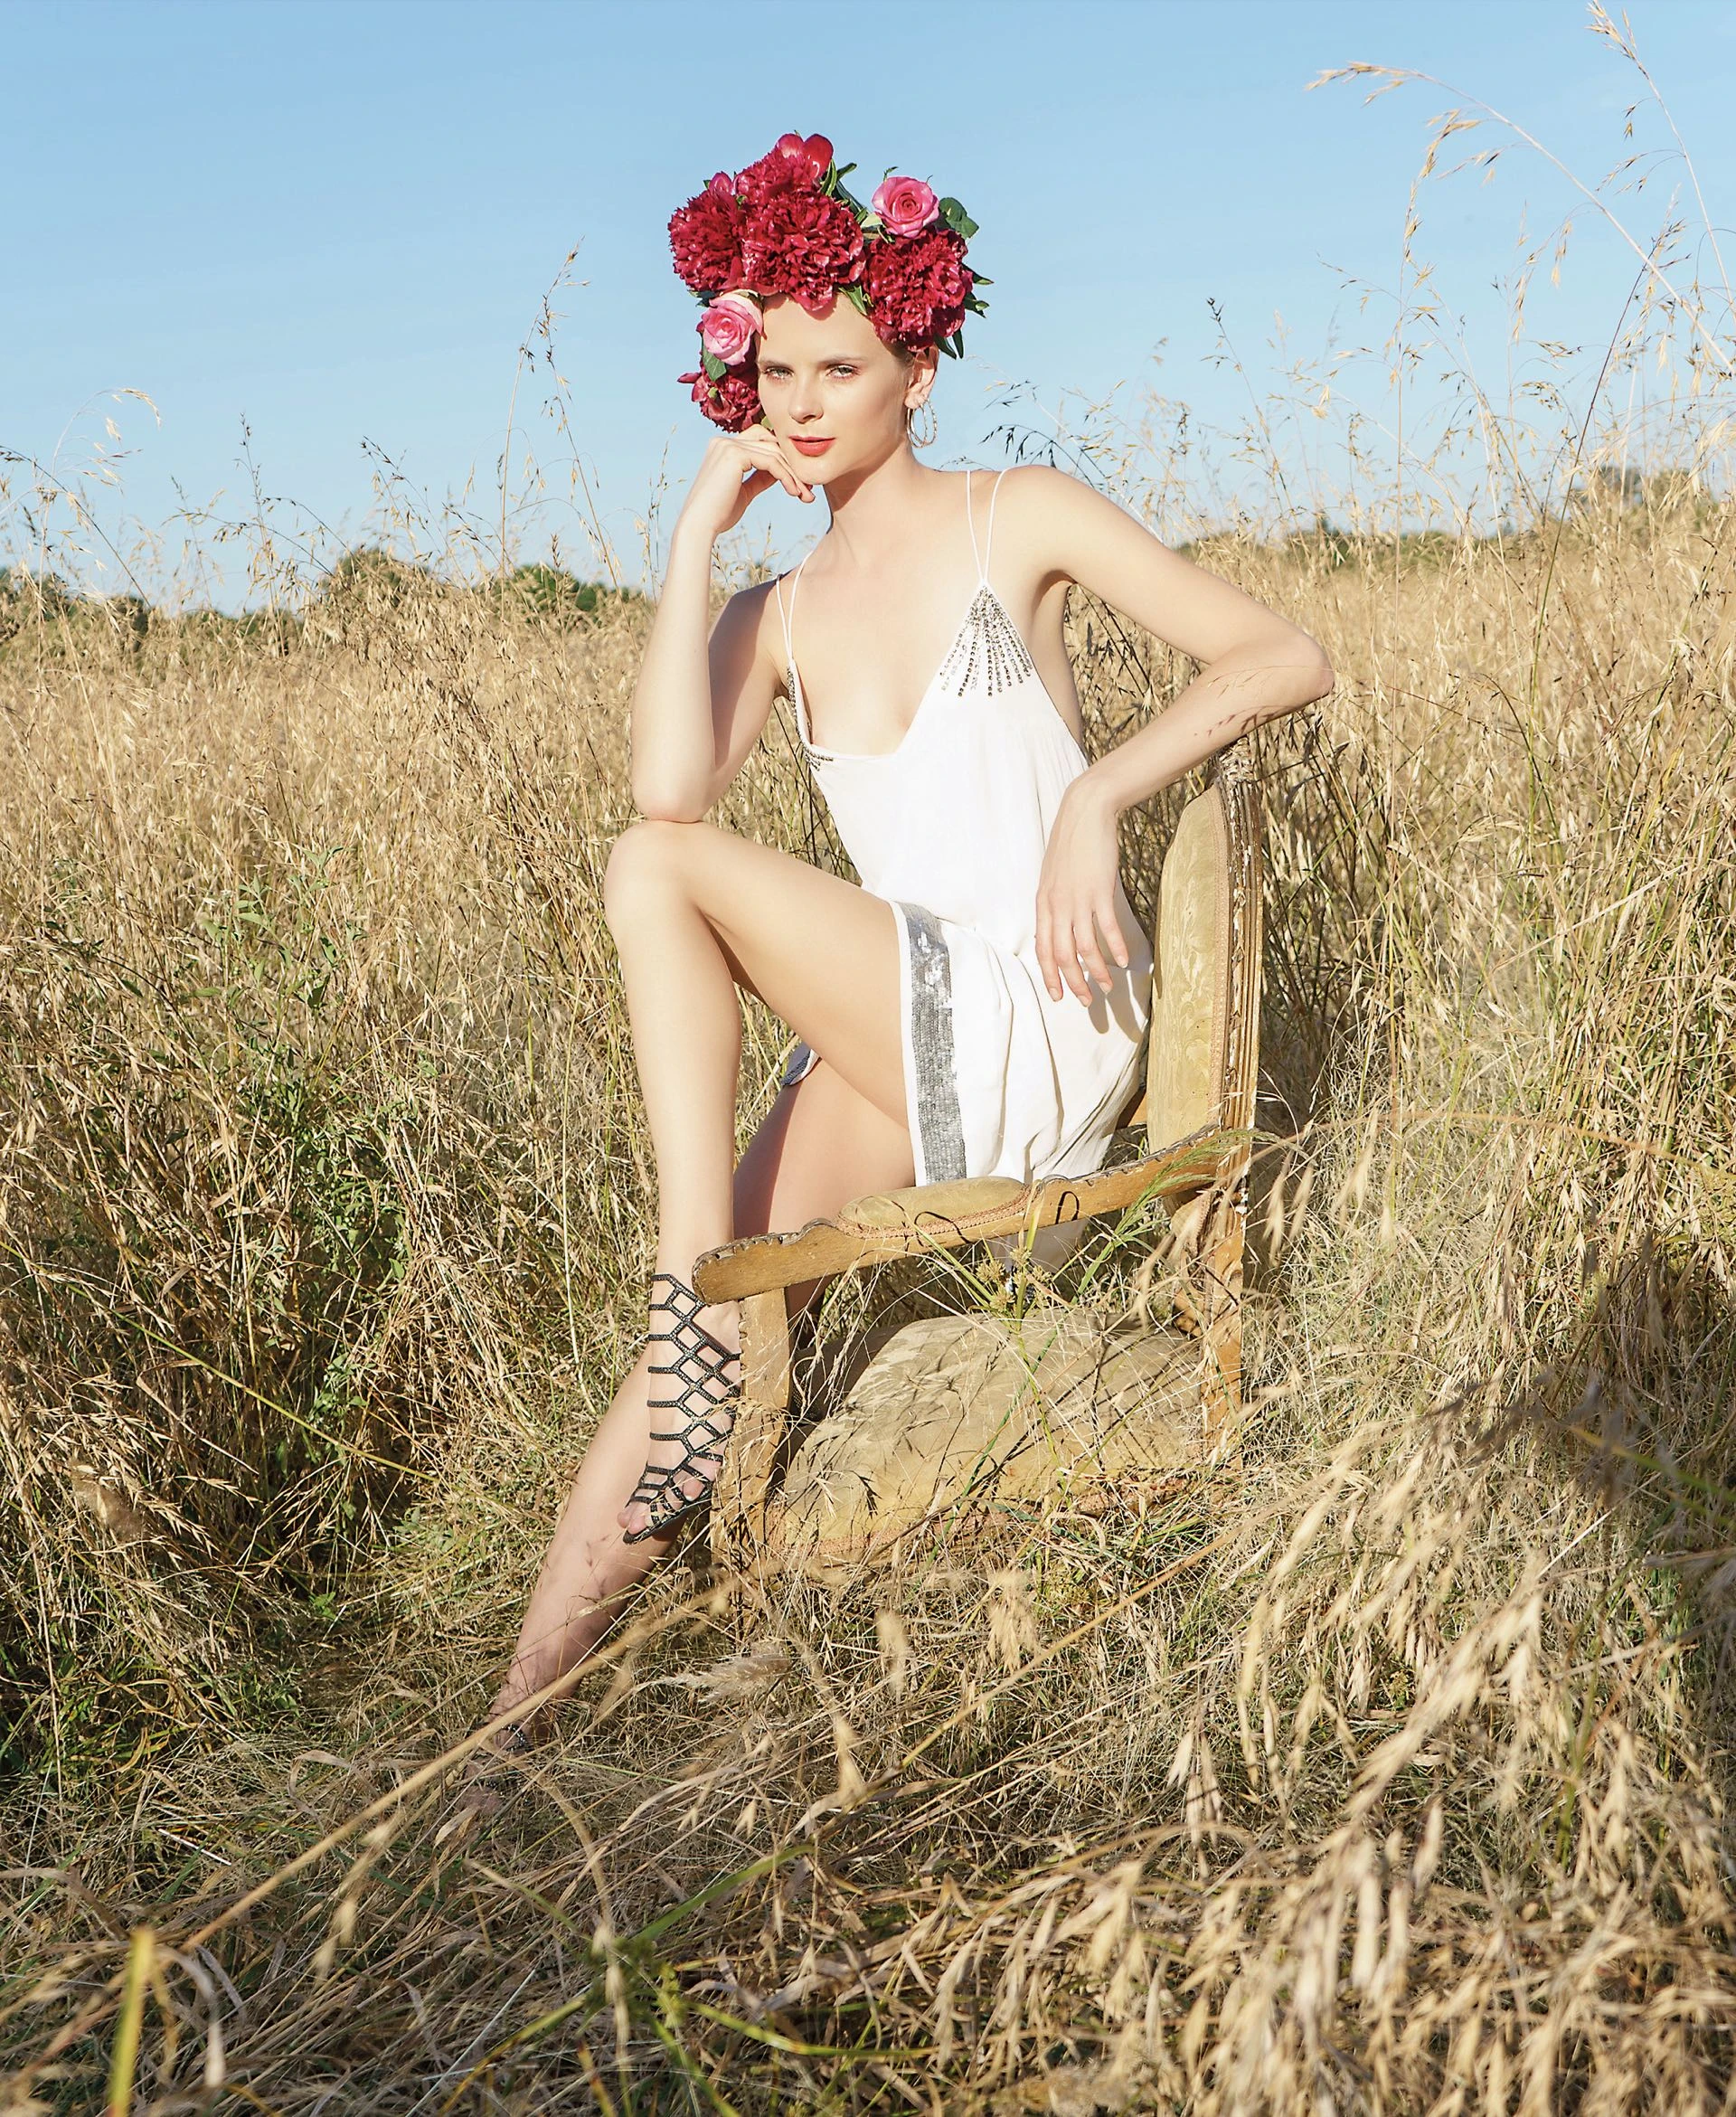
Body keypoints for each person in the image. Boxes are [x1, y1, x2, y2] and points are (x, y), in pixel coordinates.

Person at [467, 132, 1333, 1775]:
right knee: (702, 1323)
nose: (800, 404)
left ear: (919, 369)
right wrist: (691, 550)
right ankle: (506, 1739)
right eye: (773, 368)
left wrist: (1100, 798)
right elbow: (667, 782)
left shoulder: (1022, 517)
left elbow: (1281, 652)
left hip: (1042, 1008)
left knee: (660, 900)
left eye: (840, 366)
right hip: (908, 1027)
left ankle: (678, 1253)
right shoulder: (776, 616)